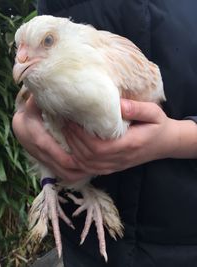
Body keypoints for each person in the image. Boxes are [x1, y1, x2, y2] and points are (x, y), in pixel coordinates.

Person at [12, 0, 197, 266]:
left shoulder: (128, 70)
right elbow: (27, 106)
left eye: (47, 43)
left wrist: (176, 138)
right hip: (83, 242)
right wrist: (22, 125)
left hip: (183, 234)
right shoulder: (56, 47)